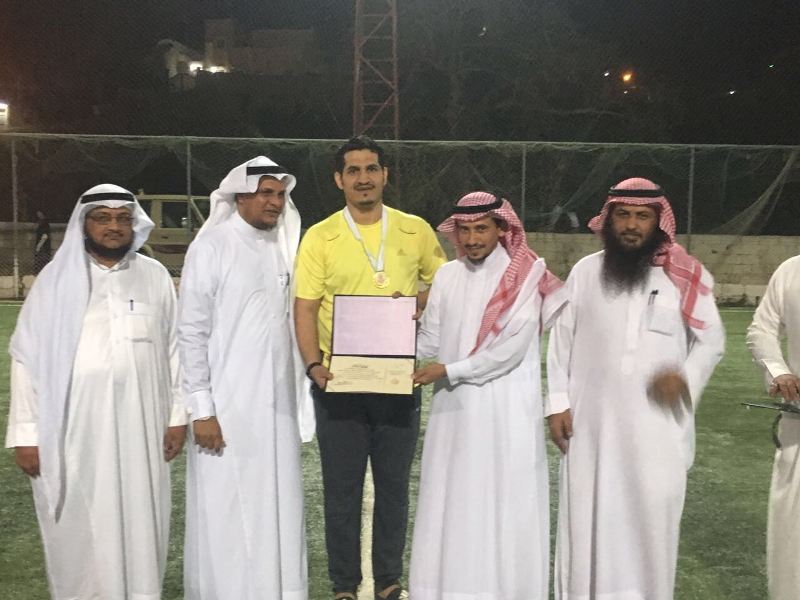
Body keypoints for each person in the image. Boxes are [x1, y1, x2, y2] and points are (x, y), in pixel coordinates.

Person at [5, 184, 188, 599]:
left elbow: (175, 349)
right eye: (103, 218)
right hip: (74, 430)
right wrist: (26, 434)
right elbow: (26, 359)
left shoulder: (154, 276)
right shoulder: (55, 281)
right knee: (79, 527)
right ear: (83, 224)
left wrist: (178, 416)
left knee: (142, 519)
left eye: (123, 218)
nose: (114, 226)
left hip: (142, 426)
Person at [547, 177, 725, 600]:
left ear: (658, 222)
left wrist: (684, 378)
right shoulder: (586, 272)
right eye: (623, 215)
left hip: (657, 431)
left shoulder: (685, 276)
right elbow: (561, 341)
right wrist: (557, 403)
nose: (631, 225)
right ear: (608, 220)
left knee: (650, 526)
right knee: (588, 522)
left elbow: (713, 341)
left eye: (642, 216)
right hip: (591, 429)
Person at [294, 135, 447, 600]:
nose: (364, 178)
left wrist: (416, 301)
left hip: (397, 381)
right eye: (354, 171)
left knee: (394, 489)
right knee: (341, 490)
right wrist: (313, 365)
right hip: (339, 381)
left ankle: (388, 581)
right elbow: (305, 307)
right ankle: (344, 585)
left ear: (385, 175)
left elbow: (443, 286)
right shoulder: (320, 236)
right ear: (339, 180)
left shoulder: (415, 229)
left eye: (371, 169)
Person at [409, 191, 566, 600]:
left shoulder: (526, 274)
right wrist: (395, 324)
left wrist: (450, 370)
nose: (472, 238)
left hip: (506, 412)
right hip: (453, 414)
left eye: (481, 229)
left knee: (502, 502)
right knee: (454, 502)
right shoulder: (447, 276)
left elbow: (509, 352)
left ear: (501, 228)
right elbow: (429, 341)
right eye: (465, 230)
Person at [179, 156, 310, 600]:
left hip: (278, 412)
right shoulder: (212, 247)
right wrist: (202, 409)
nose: (275, 202)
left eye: (280, 195)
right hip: (227, 411)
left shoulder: (282, 247)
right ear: (239, 197)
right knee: (227, 512)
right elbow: (191, 332)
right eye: (265, 193)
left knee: (278, 506)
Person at [746, 256, 800, 600]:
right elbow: (762, 329)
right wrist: (779, 371)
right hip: (798, 430)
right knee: (793, 537)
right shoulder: (792, 271)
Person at [33, 208, 52, 274]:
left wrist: (39, 246)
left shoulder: (45, 223)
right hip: (42, 245)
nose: (38, 215)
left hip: (43, 246)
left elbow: (45, 236)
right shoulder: (40, 222)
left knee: (42, 260)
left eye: (39, 213)